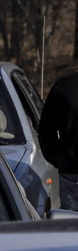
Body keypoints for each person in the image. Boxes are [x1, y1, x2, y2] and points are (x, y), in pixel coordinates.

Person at [38, 72, 78, 209]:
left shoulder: (63, 86)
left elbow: (45, 131)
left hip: (71, 169)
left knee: (72, 224)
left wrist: (58, 158)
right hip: (70, 171)